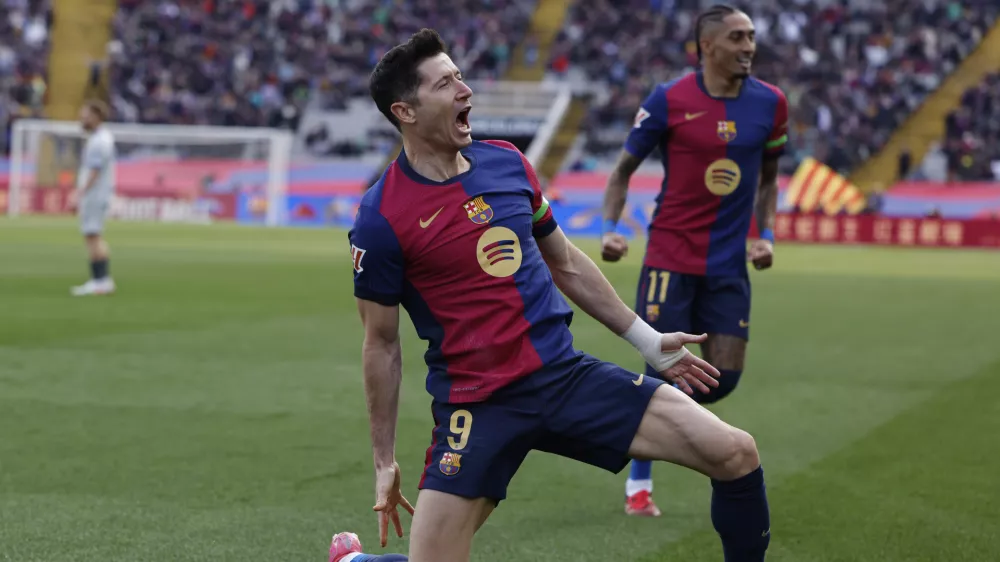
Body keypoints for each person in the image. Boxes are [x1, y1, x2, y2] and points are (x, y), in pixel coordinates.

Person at [332, 28, 771, 562]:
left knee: (735, 452)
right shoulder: (381, 218)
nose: (465, 90)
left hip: (564, 378)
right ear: (405, 111)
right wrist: (384, 461)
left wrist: (647, 339)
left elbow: (564, 261)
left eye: (460, 76)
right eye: (445, 84)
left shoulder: (506, 162)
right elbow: (381, 343)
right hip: (478, 405)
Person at [599, 4, 787, 517]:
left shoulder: (771, 103)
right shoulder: (669, 100)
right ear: (707, 46)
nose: (749, 46)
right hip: (669, 259)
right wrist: (611, 230)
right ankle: (639, 485)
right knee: (663, 367)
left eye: (751, 36)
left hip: (728, 265)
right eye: (737, 37)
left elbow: (769, 180)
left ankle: (646, 422)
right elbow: (622, 171)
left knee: (723, 378)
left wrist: (766, 235)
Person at [69, 99, 117, 296]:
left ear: (96, 116)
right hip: (99, 193)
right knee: (93, 235)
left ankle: (100, 281)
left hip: (95, 194)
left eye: (86, 115)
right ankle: (102, 280)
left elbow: (94, 171)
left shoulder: (99, 141)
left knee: (93, 235)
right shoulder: (102, 138)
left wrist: (79, 193)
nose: (82, 119)